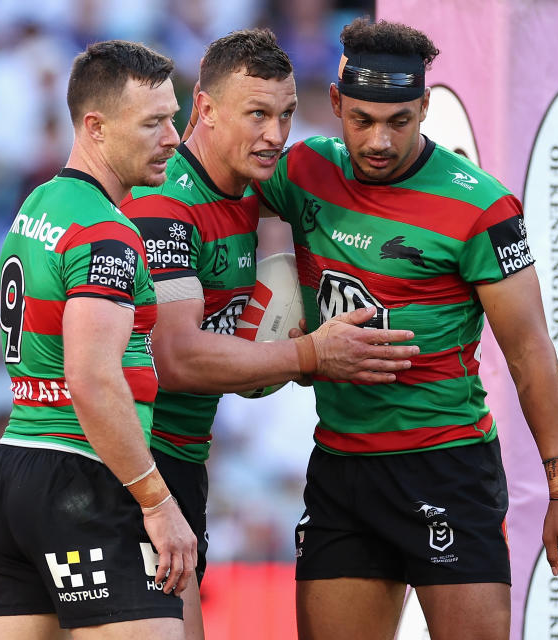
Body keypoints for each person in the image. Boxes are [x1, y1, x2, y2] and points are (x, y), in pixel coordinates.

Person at [253, 18, 558, 640]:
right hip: (341, 470)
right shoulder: (303, 171)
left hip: (448, 468)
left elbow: (531, 355)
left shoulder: (483, 207)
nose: (379, 140)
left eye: (399, 121)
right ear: (335, 103)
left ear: (424, 108)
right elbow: (215, 185)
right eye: (361, 120)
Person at [119, 29, 420, 640]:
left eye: (285, 115)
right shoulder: (165, 204)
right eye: (257, 114)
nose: (276, 135)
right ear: (203, 109)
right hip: (131, 470)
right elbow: (174, 358)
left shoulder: (249, 186)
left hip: (179, 461)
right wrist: (308, 354)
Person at [0, 40, 195, 640]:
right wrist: (157, 501)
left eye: (173, 118)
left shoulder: (38, 206)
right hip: (86, 479)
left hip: (15, 469)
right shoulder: (106, 233)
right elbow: (92, 377)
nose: (173, 137)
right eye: (153, 122)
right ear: (95, 127)